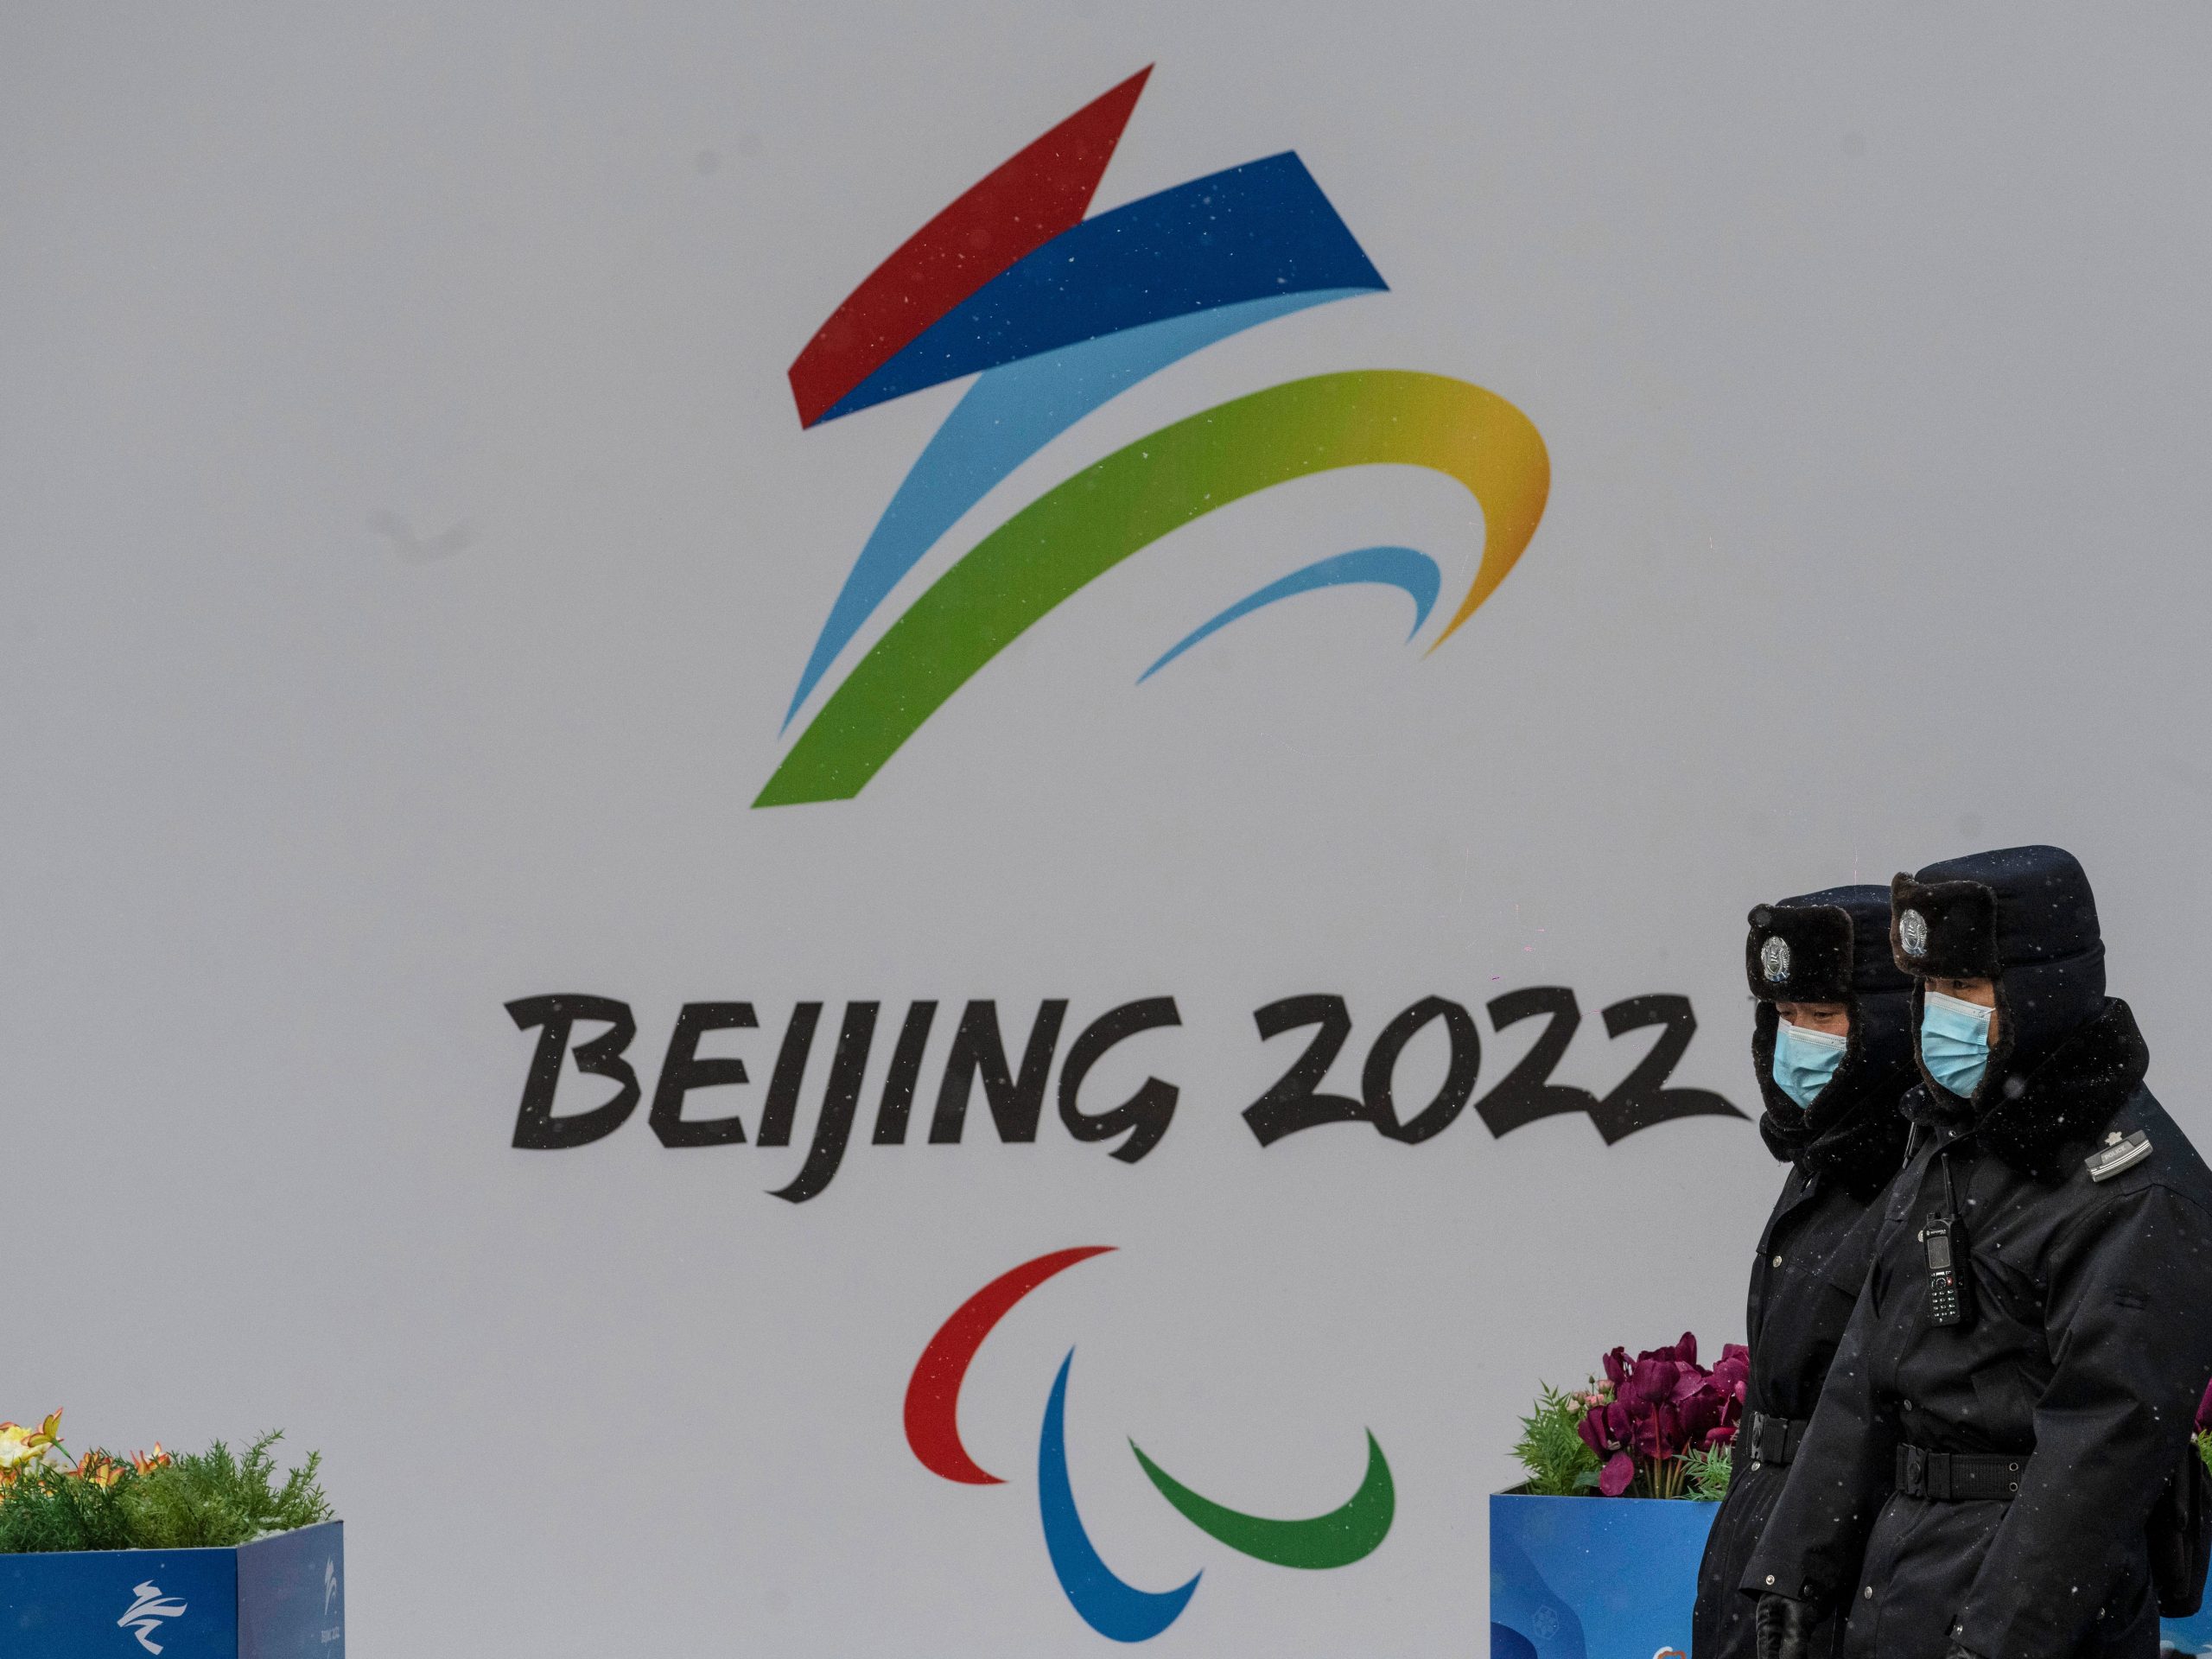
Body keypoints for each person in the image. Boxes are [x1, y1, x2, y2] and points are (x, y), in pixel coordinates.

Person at [1745, 845, 2212, 1659]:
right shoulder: (1956, 1143)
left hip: (2034, 1615)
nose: (1939, 1014)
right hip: (1900, 1582)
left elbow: (2098, 1455)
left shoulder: (2138, 1191)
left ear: (2042, 987)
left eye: (1965, 988)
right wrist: (1793, 1583)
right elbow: (1866, 1379)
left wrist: (1992, 1643)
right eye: (1929, 989)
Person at [1691, 887, 1918, 1659]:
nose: (1799, 1040)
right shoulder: (1823, 1158)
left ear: (1888, 1023)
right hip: (1761, 1555)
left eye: (1824, 1017)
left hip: (1846, 1581)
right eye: (1785, 1017)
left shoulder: (1920, 1180)